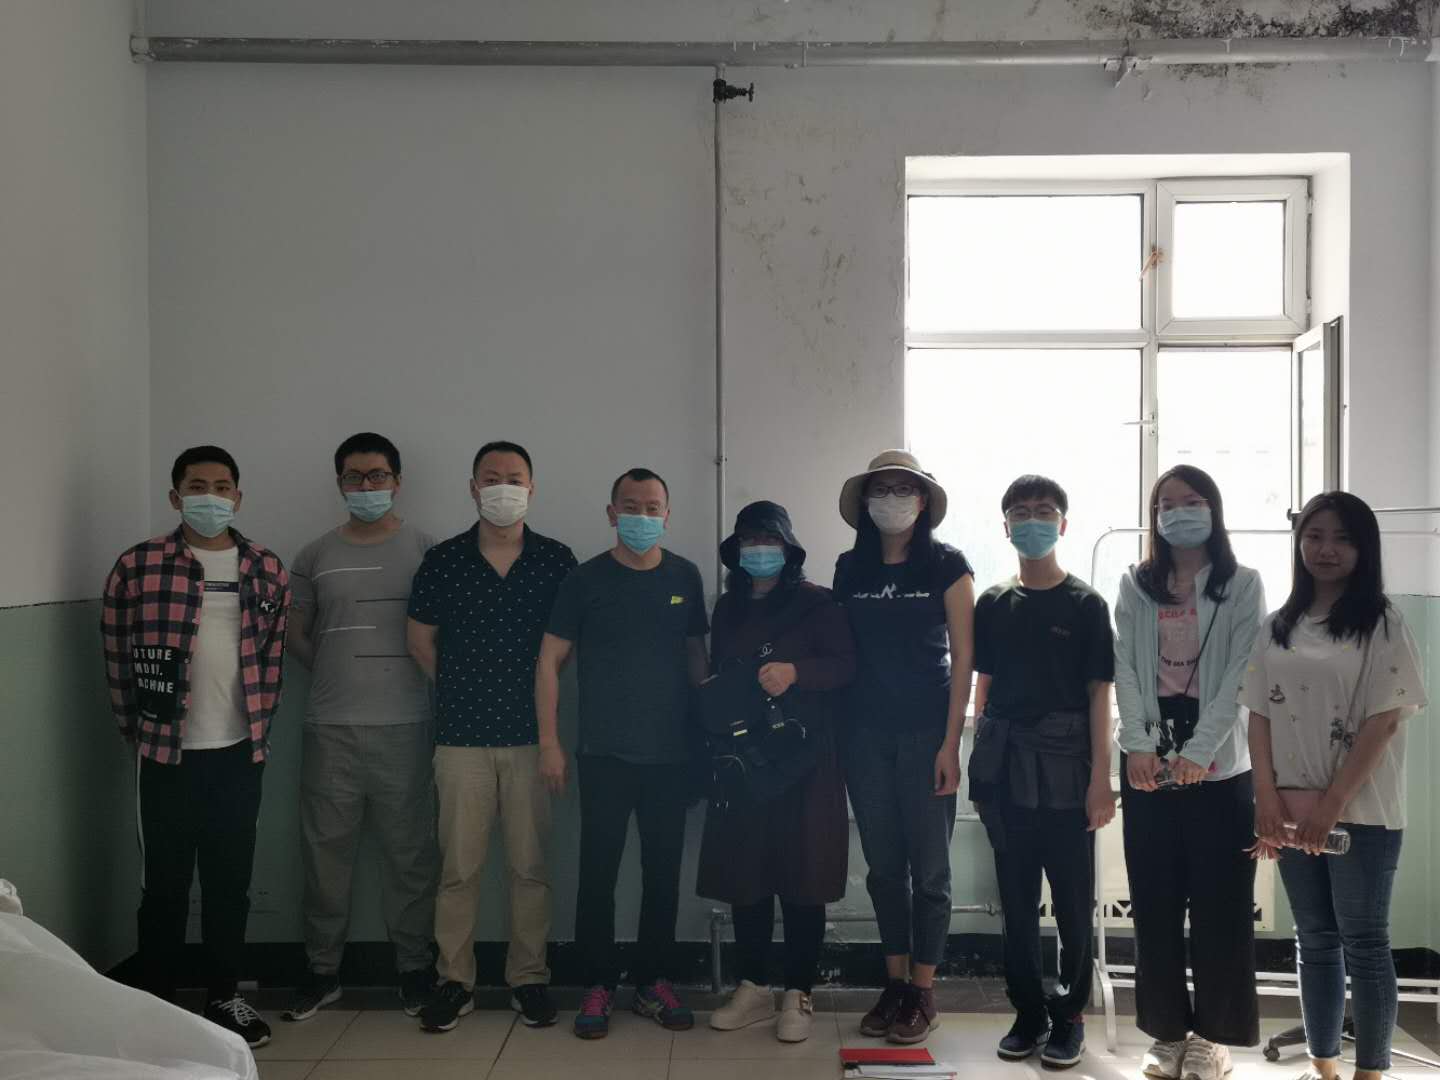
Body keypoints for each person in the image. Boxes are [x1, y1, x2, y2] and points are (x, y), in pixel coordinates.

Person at [101, 446, 290, 1049]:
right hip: (165, 755)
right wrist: (138, 732)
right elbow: (117, 657)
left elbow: (273, 656)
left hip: (239, 752)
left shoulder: (265, 567)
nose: (211, 496)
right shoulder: (138, 565)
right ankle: (158, 1002)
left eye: (222, 486)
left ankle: (224, 996)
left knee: (230, 883)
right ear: (175, 496)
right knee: (164, 884)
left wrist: (259, 728)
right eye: (197, 485)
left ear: (238, 496)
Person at [1243, 492, 1427, 1080]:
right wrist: (1265, 796)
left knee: (1365, 943)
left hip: (1362, 811)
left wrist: (1333, 804)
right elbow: (1258, 715)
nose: (1326, 549)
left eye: (1343, 538)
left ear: (1363, 548)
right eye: (1315, 535)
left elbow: (1385, 720)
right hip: (1290, 808)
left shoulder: (1383, 623)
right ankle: (1323, 1068)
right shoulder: (1278, 626)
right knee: (1315, 940)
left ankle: (1369, 1073)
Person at [406, 441, 577, 1032]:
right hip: (460, 739)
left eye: (515, 477)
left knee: (530, 868)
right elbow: (419, 641)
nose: (504, 487)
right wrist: (464, 687)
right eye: (491, 477)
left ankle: (529, 979)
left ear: (532, 488)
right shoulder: (444, 560)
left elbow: (567, 646)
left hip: (533, 738)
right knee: (459, 869)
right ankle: (455, 981)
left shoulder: (556, 560)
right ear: (473, 487)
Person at [536, 467, 709, 1040]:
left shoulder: (685, 576)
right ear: (612, 514)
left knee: (662, 875)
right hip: (603, 754)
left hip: (670, 756)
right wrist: (550, 743)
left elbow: (696, 660)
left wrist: (707, 738)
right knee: (597, 875)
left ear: (667, 514)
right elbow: (549, 661)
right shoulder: (584, 580)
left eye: (652, 507)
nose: (642, 516)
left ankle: (653, 982)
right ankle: (598, 983)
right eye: (630, 507)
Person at [1113, 466, 1266, 1080]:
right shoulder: (1136, 584)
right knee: (1153, 900)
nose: (1179, 512)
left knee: (1220, 905)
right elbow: (1125, 666)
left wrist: (1202, 750)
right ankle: (1167, 1033)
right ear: (1154, 517)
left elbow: (1241, 674)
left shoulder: (1244, 584)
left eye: (1193, 501)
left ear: (1214, 509)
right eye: (1167, 504)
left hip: (1221, 763)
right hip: (1148, 756)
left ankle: (1212, 1039)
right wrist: (1136, 744)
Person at [283, 433, 439, 1023]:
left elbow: (438, 635)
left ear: (397, 481)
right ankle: (321, 972)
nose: (366, 486)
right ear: (339, 483)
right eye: (354, 476)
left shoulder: (427, 550)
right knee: (324, 857)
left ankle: (415, 970)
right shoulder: (313, 555)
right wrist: (335, 671)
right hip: (331, 726)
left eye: (377, 475)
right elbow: (297, 635)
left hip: (407, 724)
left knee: (411, 856)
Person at [968, 474, 1115, 1070]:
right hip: (1007, 769)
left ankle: (1069, 1016)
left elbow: (1099, 694)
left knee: (1074, 903)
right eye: (1022, 512)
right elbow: (984, 684)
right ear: (1006, 527)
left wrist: (1101, 779)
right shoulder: (992, 603)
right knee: (1016, 898)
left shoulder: (1086, 605)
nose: (1033, 520)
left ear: (1063, 523)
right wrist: (981, 757)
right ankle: (1028, 1012)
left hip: (1068, 769)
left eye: (1044, 511)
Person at [698, 501, 856, 1044]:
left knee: (803, 873)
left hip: (806, 759)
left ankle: (798, 992)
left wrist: (796, 672)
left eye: (770, 541)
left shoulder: (818, 603)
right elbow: (719, 671)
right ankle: (753, 987)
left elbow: (846, 666)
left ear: (789, 550)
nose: (760, 551)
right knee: (747, 871)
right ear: (736, 551)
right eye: (750, 541)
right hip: (744, 757)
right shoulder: (728, 608)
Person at [833, 450, 974, 1045]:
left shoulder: (946, 565)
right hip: (864, 736)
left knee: (931, 872)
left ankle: (923, 991)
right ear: (866, 502)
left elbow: (965, 658)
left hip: (926, 736)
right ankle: (894, 984)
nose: (891, 500)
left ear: (923, 501)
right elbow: (839, 651)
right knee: (884, 869)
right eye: (881, 490)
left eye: (903, 489)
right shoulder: (850, 568)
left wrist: (951, 743)